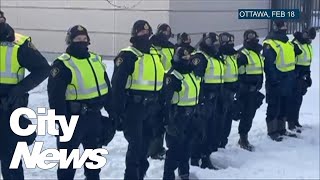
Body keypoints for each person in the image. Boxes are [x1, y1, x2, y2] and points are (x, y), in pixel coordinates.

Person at [47, 25, 112, 180]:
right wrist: (61, 122)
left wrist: (113, 115)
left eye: (84, 39)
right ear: (70, 41)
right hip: (72, 120)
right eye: (78, 39)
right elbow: (55, 98)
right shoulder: (63, 64)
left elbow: (107, 90)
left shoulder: (95, 60)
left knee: (93, 165)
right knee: (67, 166)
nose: (82, 42)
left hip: (94, 118)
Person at [111, 20, 165, 180]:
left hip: (152, 108)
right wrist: (118, 112)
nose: (145, 35)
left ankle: (140, 175)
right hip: (134, 107)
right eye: (141, 32)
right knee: (135, 147)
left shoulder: (154, 53)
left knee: (146, 146)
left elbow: (160, 81)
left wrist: (162, 106)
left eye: (147, 32)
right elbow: (117, 86)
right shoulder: (128, 55)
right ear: (135, 34)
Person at [0, 10, 50, 179]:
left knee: (11, 159)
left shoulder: (19, 43)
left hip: (9, 107)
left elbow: (43, 69)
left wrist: (20, 88)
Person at [162, 47, 201, 180]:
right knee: (175, 149)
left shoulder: (191, 73)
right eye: (183, 58)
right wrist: (167, 122)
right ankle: (168, 175)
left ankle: (184, 173)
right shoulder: (173, 76)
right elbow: (165, 101)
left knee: (187, 147)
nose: (187, 60)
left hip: (191, 116)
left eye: (188, 57)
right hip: (177, 117)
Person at [262, 20, 301, 141]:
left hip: (288, 80)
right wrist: (274, 80)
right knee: (274, 105)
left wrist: (294, 76)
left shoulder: (287, 43)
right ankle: (272, 131)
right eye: (281, 26)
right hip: (276, 80)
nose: (284, 28)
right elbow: (269, 64)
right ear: (276, 28)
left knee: (285, 105)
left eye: (285, 26)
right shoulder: (270, 43)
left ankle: (281, 128)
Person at [190, 32, 224, 169]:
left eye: (217, 45)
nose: (216, 47)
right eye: (214, 44)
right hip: (203, 100)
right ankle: (194, 158)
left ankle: (205, 156)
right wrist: (202, 97)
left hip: (215, 99)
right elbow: (195, 79)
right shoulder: (200, 58)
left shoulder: (216, 58)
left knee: (211, 130)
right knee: (199, 131)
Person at [148, 23, 175, 160]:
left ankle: (160, 147)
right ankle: (154, 149)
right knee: (155, 120)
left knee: (165, 117)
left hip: (169, 85)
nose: (166, 33)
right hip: (157, 85)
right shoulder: (152, 45)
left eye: (168, 31)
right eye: (164, 31)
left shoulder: (171, 46)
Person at [235, 30, 265, 151]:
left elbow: (259, 70)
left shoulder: (257, 52)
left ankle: (244, 136)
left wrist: (258, 84)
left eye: (254, 36)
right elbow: (238, 74)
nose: (252, 39)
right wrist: (245, 86)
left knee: (250, 114)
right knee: (245, 114)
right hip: (245, 90)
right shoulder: (242, 54)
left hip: (254, 89)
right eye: (249, 37)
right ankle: (243, 139)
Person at [288, 27, 316, 132]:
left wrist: (308, 75)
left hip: (303, 75)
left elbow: (307, 62)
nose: (310, 40)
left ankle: (295, 120)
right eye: (309, 37)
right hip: (296, 76)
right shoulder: (295, 45)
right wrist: (296, 75)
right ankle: (290, 122)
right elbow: (291, 62)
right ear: (304, 34)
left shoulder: (308, 45)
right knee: (293, 100)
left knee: (299, 99)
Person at [218, 32, 239, 148]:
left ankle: (224, 140)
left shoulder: (233, 55)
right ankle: (219, 140)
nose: (229, 42)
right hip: (223, 89)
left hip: (232, 90)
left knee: (228, 117)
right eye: (226, 39)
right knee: (222, 116)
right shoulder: (221, 55)